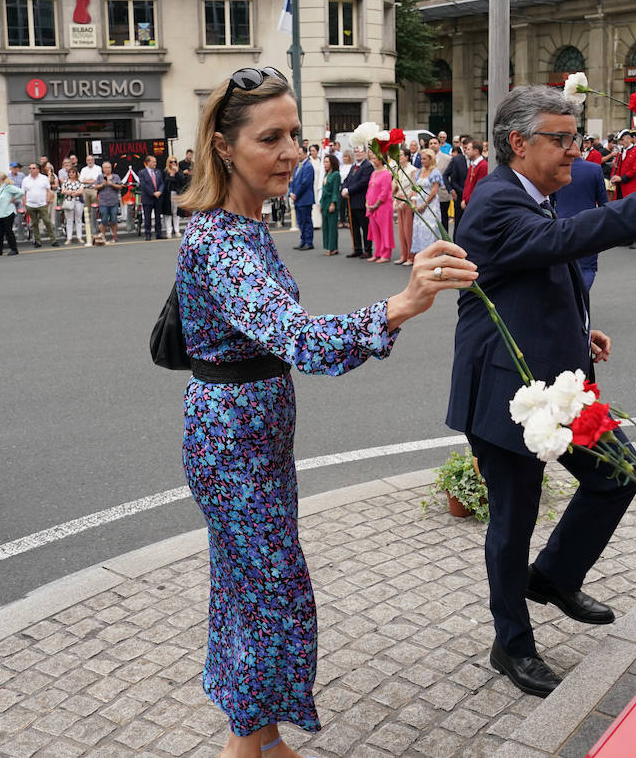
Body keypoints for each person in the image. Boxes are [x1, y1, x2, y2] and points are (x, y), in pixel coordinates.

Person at [173, 67, 476, 757]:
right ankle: (249, 745)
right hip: (231, 442)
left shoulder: (246, 228)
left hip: (252, 436)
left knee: (251, 592)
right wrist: (397, 305)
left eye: (295, 135)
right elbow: (299, 339)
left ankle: (257, 739)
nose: (289, 152)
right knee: (269, 596)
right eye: (270, 138)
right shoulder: (219, 239)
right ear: (223, 146)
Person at [447, 85, 636, 698]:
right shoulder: (495, 198)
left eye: (575, 137)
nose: (576, 150)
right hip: (509, 390)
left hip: (559, 378)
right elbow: (564, 242)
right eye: (561, 139)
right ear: (517, 143)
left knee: (619, 473)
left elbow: (530, 275)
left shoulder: (533, 193)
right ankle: (511, 644)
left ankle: (552, 577)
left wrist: (577, 331)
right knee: (512, 522)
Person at [553, 142, 610, 292]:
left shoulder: (556, 170)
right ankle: (581, 297)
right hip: (589, 223)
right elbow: (604, 201)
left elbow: (550, 200)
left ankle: (571, 298)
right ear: (580, 150)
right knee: (587, 267)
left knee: (566, 266)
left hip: (562, 223)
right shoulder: (594, 169)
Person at [410, 147, 444, 255]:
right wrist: (414, 203)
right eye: (421, 158)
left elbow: (434, 191)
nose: (422, 161)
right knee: (418, 228)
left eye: (424, 159)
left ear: (430, 159)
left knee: (429, 228)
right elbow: (415, 187)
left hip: (430, 205)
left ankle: (431, 254)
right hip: (419, 203)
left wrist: (424, 205)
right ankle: (421, 254)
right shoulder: (419, 171)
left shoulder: (435, 172)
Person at [342, 144, 373, 258]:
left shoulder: (367, 166)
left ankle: (368, 249)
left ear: (365, 153)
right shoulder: (353, 166)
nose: (357, 153)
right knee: (353, 227)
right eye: (355, 151)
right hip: (351, 201)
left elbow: (363, 182)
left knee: (365, 228)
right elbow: (347, 180)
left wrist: (349, 190)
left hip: (361, 201)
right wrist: (344, 188)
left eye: (360, 151)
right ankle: (357, 248)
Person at [365, 148, 393, 263]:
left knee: (384, 229)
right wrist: (367, 202)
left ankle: (386, 254)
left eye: (375, 158)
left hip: (383, 206)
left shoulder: (386, 173)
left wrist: (376, 204)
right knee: (374, 230)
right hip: (371, 206)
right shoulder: (373, 173)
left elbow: (385, 192)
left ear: (381, 159)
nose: (373, 160)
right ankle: (378, 252)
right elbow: (369, 189)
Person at [287, 146, 315, 251]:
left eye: (299, 153)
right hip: (298, 199)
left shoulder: (308, 166)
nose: (297, 156)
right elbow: (292, 181)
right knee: (300, 221)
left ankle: (309, 242)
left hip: (305, 198)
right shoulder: (297, 166)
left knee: (306, 221)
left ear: (305, 154)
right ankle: (303, 241)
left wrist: (296, 194)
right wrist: (291, 192)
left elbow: (305, 183)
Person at [22, 163, 57, 247]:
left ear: (38, 169)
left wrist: (47, 201)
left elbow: (48, 191)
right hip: (30, 205)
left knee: (47, 222)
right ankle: (37, 241)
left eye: (33, 168)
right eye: (30, 168)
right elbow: (23, 193)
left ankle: (53, 240)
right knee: (34, 224)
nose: (31, 170)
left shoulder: (44, 178)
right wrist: (25, 204)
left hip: (42, 204)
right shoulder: (26, 180)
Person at [0, 171, 23, 256]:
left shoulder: (8, 187)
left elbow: (21, 192)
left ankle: (14, 249)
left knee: (8, 231)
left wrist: (14, 199)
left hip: (8, 212)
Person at [318, 154, 342, 256]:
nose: (325, 164)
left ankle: (332, 248)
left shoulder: (336, 174)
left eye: (327, 162)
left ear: (332, 163)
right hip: (324, 202)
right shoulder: (326, 174)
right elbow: (323, 190)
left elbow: (335, 190)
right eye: (324, 162)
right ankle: (329, 246)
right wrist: (321, 204)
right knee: (326, 226)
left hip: (332, 201)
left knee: (332, 226)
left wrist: (333, 203)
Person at [97, 161, 127, 243]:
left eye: (109, 167)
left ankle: (114, 235)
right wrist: (102, 185)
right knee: (104, 219)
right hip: (103, 201)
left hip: (114, 201)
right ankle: (102, 236)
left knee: (114, 219)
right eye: (106, 167)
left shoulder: (115, 177)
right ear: (103, 169)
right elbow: (95, 187)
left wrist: (112, 184)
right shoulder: (100, 177)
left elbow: (120, 186)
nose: (107, 169)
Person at [138, 155, 165, 240]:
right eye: (153, 162)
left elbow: (162, 183)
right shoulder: (142, 172)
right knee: (147, 217)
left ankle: (158, 233)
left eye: (155, 162)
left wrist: (160, 191)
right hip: (148, 197)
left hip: (158, 198)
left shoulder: (158, 172)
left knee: (158, 217)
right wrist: (153, 193)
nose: (155, 164)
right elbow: (144, 185)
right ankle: (148, 234)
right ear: (148, 162)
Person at [443, 141, 468, 234]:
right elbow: (446, 176)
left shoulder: (479, 162)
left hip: (473, 197)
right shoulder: (457, 160)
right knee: (458, 223)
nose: (466, 149)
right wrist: (451, 190)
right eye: (464, 147)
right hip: (459, 195)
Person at [160, 157, 182, 238]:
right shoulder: (165, 172)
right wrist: (172, 175)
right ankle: (168, 231)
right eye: (171, 162)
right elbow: (164, 182)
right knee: (168, 213)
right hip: (168, 194)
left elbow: (182, 180)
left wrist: (176, 173)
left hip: (176, 193)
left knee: (176, 213)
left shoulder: (179, 171)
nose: (173, 163)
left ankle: (177, 230)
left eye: (175, 162)